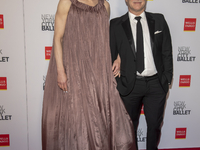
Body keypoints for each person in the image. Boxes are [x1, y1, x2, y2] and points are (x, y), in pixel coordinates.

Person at [42, 0, 136, 149]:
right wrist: (60, 71)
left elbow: (104, 40)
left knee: (100, 116)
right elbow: (58, 38)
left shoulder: (104, 5)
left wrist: (117, 58)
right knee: (77, 118)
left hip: (98, 70)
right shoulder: (66, 3)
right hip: (74, 69)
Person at [110, 0, 173, 150]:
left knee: (155, 126)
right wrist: (117, 63)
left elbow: (166, 51)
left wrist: (167, 79)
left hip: (156, 84)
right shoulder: (115, 25)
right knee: (129, 129)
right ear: (126, 0)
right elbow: (110, 54)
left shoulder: (159, 20)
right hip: (129, 86)